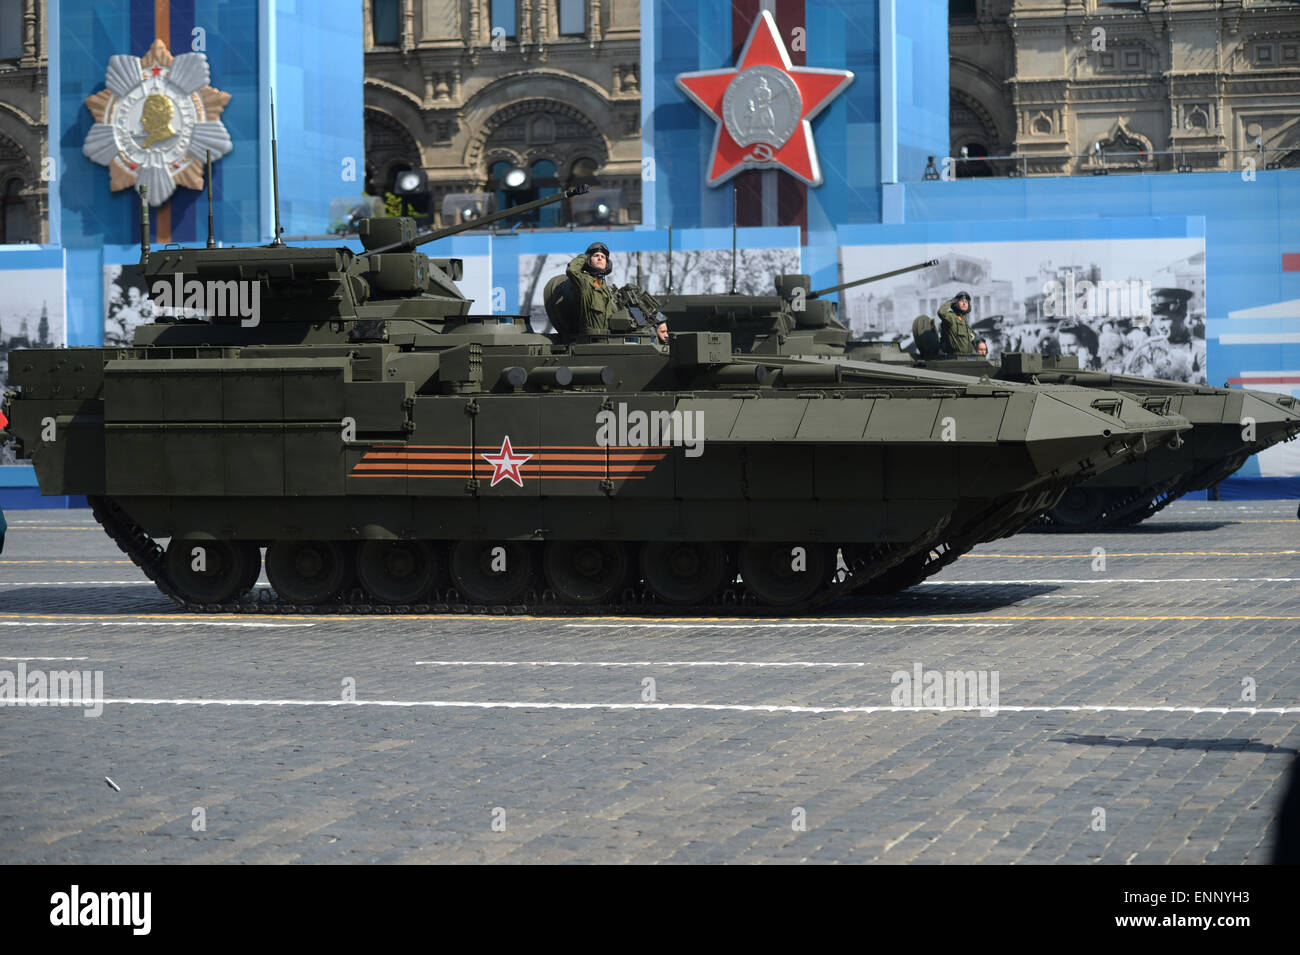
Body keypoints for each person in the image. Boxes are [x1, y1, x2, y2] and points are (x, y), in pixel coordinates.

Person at [566, 242, 616, 337]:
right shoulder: (584, 281)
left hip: (607, 339)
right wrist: (584, 256)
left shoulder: (603, 286)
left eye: (603, 257)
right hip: (589, 339)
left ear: (607, 263)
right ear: (588, 260)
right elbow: (572, 270)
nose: (600, 258)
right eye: (596, 255)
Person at [937, 291, 975, 355]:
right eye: (961, 301)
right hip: (954, 357)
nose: (964, 303)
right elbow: (941, 312)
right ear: (956, 303)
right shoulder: (951, 316)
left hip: (966, 357)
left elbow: (972, 336)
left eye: (966, 302)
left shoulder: (963, 321)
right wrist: (951, 301)